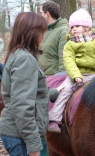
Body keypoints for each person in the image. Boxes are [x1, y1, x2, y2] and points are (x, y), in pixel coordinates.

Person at [0, 12, 64, 156]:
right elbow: (22, 105)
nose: (43, 36)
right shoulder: (25, 60)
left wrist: (56, 91)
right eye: (42, 32)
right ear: (32, 33)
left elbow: (29, 94)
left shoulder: (17, 54)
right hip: (21, 137)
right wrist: (33, 145)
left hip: (17, 133)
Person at [48, 8, 95, 133]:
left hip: (93, 74)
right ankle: (54, 118)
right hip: (76, 75)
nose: (74, 29)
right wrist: (76, 75)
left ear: (87, 27)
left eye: (77, 26)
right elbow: (69, 61)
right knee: (64, 91)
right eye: (72, 27)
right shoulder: (70, 44)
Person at [39, 1, 69, 77]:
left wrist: (60, 79)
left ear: (47, 14)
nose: (39, 16)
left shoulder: (63, 31)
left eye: (41, 13)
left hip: (53, 79)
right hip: (41, 77)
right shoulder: (42, 30)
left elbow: (64, 60)